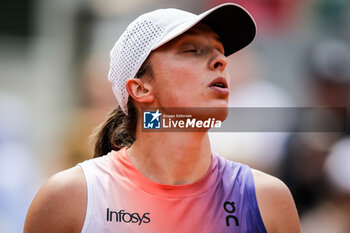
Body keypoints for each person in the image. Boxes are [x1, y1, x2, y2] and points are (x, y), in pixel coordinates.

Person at [24, 3, 300, 233]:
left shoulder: (268, 200)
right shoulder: (70, 198)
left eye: (220, 51)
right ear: (141, 88)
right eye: (192, 50)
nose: (221, 61)